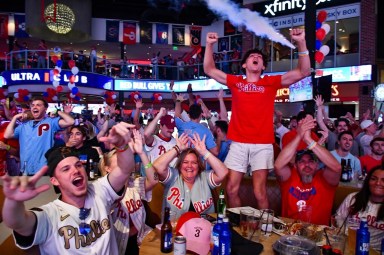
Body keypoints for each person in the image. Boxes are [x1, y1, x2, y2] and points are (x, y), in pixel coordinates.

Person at [203, 28, 311, 209]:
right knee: (230, 189)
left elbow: (303, 72)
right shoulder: (236, 82)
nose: (256, 57)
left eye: (260, 58)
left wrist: (301, 42)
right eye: (252, 56)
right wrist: (209, 45)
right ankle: (236, 224)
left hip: (262, 144)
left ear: (262, 66)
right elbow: (209, 69)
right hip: (238, 142)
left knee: (259, 191)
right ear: (244, 65)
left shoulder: (270, 82)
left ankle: (265, 227)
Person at [1, 122, 136, 254]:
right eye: (66, 169)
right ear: (54, 181)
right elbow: (17, 222)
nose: (76, 171)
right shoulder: (50, 215)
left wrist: (122, 146)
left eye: (78, 165)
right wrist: (13, 201)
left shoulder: (99, 189)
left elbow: (125, 169)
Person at [274, 115, 341, 225]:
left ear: (317, 164)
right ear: (295, 165)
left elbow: (337, 167)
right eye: (302, 161)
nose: (307, 165)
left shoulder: (325, 180)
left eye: (311, 161)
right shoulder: (290, 177)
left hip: (317, 236)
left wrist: (308, 140)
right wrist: (299, 135)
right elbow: (278, 165)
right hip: (289, 234)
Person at [99, 131, 157, 255]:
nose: (125, 166)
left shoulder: (133, 183)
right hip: (120, 245)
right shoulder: (103, 191)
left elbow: (154, 180)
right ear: (108, 168)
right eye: (120, 164)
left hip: (142, 238)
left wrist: (141, 152)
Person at [152, 133, 228, 220]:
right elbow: (157, 167)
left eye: (194, 162)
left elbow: (223, 172)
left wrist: (204, 152)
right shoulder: (173, 176)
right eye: (185, 162)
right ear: (180, 165)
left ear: (198, 165)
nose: (189, 166)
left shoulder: (204, 177)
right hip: (174, 231)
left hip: (204, 230)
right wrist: (177, 148)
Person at [4, 98, 74, 175]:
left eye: (38, 105)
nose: (35, 107)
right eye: (33, 105)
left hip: (43, 170)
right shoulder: (24, 125)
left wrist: (62, 112)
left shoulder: (50, 122)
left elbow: (70, 121)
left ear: (45, 108)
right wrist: (15, 117)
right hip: (24, 170)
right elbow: (7, 135)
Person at [336, 165, 384, 251]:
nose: (378, 183)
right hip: (345, 245)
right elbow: (338, 218)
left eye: (383, 180)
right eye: (373, 179)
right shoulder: (353, 198)